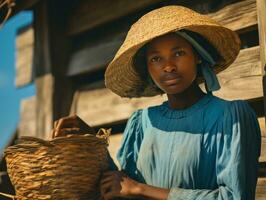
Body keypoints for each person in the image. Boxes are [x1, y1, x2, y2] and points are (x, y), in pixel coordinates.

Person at [52, 6, 261, 200]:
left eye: (178, 53)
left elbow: (234, 196)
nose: (168, 66)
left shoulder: (229, 117)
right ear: (148, 68)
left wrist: (141, 189)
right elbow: (123, 185)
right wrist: (91, 139)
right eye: (156, 59)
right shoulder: (142, 123)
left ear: (197, 56)